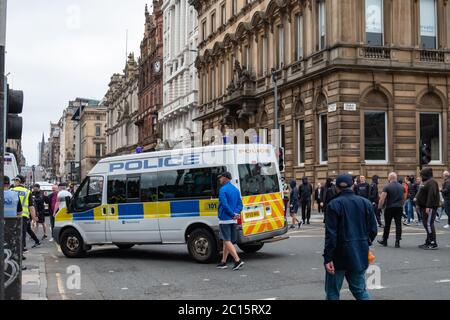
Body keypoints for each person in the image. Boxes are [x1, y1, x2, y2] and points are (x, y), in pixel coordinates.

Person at [323, 174, 378, 300]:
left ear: (336, 188)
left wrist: (328, 258)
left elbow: (331, 235)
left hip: (338, 254)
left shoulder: (333, 205)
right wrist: (364, 242)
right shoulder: (366, 203)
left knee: (332, 293)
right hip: (359, 252)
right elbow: (373, 230)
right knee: (359, 290)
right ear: (353, 185)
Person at [216, 171, 245, 271]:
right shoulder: (236, 190)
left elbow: (224, 204)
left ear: (225, 178)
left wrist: (232, 214)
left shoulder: (222, 190)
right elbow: (240, 204)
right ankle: (223, 261)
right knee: (226, 241)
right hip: (233, 220)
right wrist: (236, 214)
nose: (219, 179)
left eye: (221, 177)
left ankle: (237, 260)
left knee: (226, 240)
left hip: (225, 218)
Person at [12, 175, 41, 251]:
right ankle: (22, 249)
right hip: (24, 216)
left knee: (15, 233)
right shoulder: (27, 191)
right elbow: (31, 206)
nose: (14, 182)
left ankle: (21, 249)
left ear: (18, 181)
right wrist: (34, 218)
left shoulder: (11, 190)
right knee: (23, 232)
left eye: (15, 180)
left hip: (12, 215)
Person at [415, 167, 440, 250]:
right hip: (424, 206)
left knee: (429, 224)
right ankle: (428, 241)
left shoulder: (432, 182)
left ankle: (433, 243)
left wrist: (428, 206)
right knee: (427, 225)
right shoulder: (426, 182)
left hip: (429, 207)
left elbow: (431, 195)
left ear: (426, 174)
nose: (421, 176)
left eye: (422, 174)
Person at [377, 172, 404, 248]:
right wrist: (401, 204)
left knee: (387, 225)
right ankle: (397, 241)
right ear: (396, 178)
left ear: (389, 178)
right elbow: (403, 198)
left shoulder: (387, 186)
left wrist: (379, 208)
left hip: (389, 207)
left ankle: (385, 240)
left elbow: (382, 199)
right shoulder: (401, 187)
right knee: (398, 224)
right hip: (399, 207)